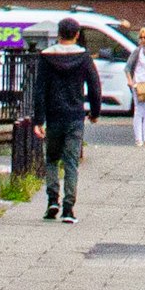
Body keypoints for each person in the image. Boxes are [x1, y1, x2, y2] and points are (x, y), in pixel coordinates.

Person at [32, 21, 103, 223]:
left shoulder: (46, 57)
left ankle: (52, 200)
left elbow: (40, 90)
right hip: (74, 116)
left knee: (52, 159)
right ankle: (68, 209)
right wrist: (95, 112)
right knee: (71, 162)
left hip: (54, 116)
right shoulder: (83, 57)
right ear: (77, 34)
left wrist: (39, 119)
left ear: (59, 33)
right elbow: (94, 86)